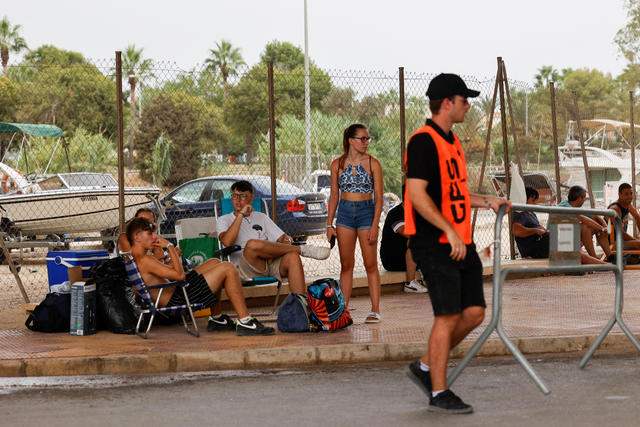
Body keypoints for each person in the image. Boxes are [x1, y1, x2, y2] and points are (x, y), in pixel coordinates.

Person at [404, 73, 511, 414]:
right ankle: (438, 390)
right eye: (464, 100)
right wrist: (448, 230)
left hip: (458, 240)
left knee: (475, 313)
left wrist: (487, 201)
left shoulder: (452, 142)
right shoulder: (422, 141)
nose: (468, 105)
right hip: (435, 241)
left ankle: (425, 365)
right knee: (447, 316)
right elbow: (416, 194)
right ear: (447, 103)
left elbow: (456, 191)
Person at [126, 217, 274, 336]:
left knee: (214, 262)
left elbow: (167, 272)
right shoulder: (146, 260)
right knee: (227, 268)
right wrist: (170, 247)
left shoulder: (137, 258)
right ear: (137, 237)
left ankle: (217, 320)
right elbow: (179, 275)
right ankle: (245, 321)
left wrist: (165, 258)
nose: (154, 237)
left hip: (176, 292)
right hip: (178, 299)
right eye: (149, 234)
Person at [217, 180, 330, 297]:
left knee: (292, 257)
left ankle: (300, 304)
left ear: (251, 199)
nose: (238, 199)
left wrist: (286, 241)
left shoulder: (261, 217)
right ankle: (303, 249)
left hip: (270, 263)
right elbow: (227, 241)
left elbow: (283, 238)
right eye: (235, 196)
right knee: (252, 244)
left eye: (243, 196)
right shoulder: (224, 220)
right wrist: (241, 215)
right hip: (245, 267)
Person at [326, 124, 384, 324]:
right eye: (363, 138)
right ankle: (344, 311)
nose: (366, 142)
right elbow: (334, 196)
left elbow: (379, 198)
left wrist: (375, 224)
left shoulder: (373, 163)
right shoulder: (337, 164)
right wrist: (328, 224)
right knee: (346, 264)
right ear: (351, 140)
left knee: (370, 264)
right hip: (345, 214)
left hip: (367, 213)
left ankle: (375, 310)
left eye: (368, 139)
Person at [380, 185, 428, 293]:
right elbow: (408, 233)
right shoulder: (396, 213)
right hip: (393, 260)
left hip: (411, 258)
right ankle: (410, 283)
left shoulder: (419, 211)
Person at [556, 185, 613, 264]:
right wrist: (602, 228)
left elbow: (595, 216)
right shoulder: (564, 206)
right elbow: (583, 219)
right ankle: (595, 259)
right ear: (580, 198)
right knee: (584, 227)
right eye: (584, 198)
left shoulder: (574, 207)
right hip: (560, 240)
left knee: (595, 226)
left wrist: (605, 227)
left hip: (570, 237)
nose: (584, 201)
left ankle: (610, 256)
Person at [512, 187, 550, 259]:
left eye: (535, 201)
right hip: (532, 250)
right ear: (524, 199)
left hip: (539, 244)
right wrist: (535, 230)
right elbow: (516, 230)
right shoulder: (521, 214)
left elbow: (538, 226)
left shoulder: (531, 214)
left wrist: (545, 231)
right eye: (533, 200)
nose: (535, 203)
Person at [607, 182, 640, 250]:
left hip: (621, 240)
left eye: (631, 193)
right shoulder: (615, 209)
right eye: (626, 194)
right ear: (619, 194)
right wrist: (635, 240)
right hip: (612, 243)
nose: (630, 197)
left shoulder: (628, 205)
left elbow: (637, 217)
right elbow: (621, 233)